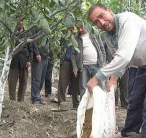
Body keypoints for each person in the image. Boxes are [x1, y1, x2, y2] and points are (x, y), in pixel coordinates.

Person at [87, 3, 146, 137]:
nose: (101, 22)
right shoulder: (109, 37)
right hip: (142, 67)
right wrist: (113, 80)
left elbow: (123, 57)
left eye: (102, 16)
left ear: (109, 10)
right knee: (135, 101)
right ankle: (129, 133)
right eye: (96, 22)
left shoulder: (127, 21)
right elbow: (120, 61)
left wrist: (97, 78)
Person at [71, 22, 106, 100]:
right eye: (78, 28)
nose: (80, 30)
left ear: (85, 25)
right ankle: (84, 108)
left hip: (97, 65)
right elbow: (73, 55)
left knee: (100, 85)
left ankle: (101, 105)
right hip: (83, 66)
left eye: (81, 27)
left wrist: (103, 61)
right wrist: (75, 68)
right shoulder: (76, 38)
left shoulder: (94, 34)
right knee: (83, 87)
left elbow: (102, 48)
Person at [8, 19, 33, 102]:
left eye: (22, 21)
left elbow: (31, 50)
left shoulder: (28, 33)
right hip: (14, 62)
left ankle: (21, 100)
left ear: (23, 22)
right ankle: (12, 100)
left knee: (23, 82)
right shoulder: (12, 33)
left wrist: (29, 61)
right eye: (19, 21)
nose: (20, 23)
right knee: (12, 82)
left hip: (24, 62)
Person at [57, 27, 80, 110]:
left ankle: (76, 103)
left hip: (76, 63)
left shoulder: (79, 36)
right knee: (63, 82)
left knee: (75, 83)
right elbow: (59, 46)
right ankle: (61, 102)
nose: (71, 29)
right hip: (66, 61)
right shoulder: (64, 36)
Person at [31, 35, 50, 105]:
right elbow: (34, 41)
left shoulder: (47, 30)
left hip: (45, 57)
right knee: (36, 79)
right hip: (38, 58)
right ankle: (35, 98)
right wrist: (37, 53)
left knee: (41, 79)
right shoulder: (37, 29)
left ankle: (37, 96)